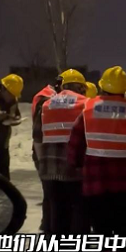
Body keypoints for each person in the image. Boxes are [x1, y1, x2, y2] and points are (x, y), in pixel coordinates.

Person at [67, 66, 126, 237]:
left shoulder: (88, 109)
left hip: (95, 181)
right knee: (124, 229)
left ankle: (106, 250)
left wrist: (75, 164)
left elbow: (75, 141)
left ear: (102, 86)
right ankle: (123, 250)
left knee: (101, 228)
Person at [39, 69, 87, 235]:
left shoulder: (46, 104)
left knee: (57, 210)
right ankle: (78, 247)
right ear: (81, 87)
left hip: (50, 167)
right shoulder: (85, 103)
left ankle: (58, 247)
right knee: (79, 211)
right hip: (74, 167)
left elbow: (38, 135)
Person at [31, 74, 63, 232]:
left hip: (44, 151)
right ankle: (50, 227)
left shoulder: (45, 96)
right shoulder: (48, 99)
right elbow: (38, 132)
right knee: (52, 194)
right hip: (47, 151)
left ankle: (48, 225)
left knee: (50, 193)